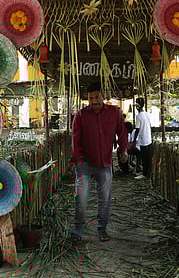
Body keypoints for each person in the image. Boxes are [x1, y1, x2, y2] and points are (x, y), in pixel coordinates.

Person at [71, 82, 128, 242]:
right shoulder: (80, 115)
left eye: (97, 97)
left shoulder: (114, 113)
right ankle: (78, 229)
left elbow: (122, 133)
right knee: (81, 198)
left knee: (105, 199)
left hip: (105, 163)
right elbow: (75, 139)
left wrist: (123, 150)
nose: (94, 101)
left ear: (103, 96)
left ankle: (102, 229)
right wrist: (77, 159)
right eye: (90, 98)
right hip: (85, 164)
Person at [133, 97, 152, 179]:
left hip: (143, 139)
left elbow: (137, 129)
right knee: (147, 158)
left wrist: (134, 140)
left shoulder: (139, 116)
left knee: (144, 158)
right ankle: (146, 172)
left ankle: (145, 174)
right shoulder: (147, 114)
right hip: (148, 138)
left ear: (137, 106)